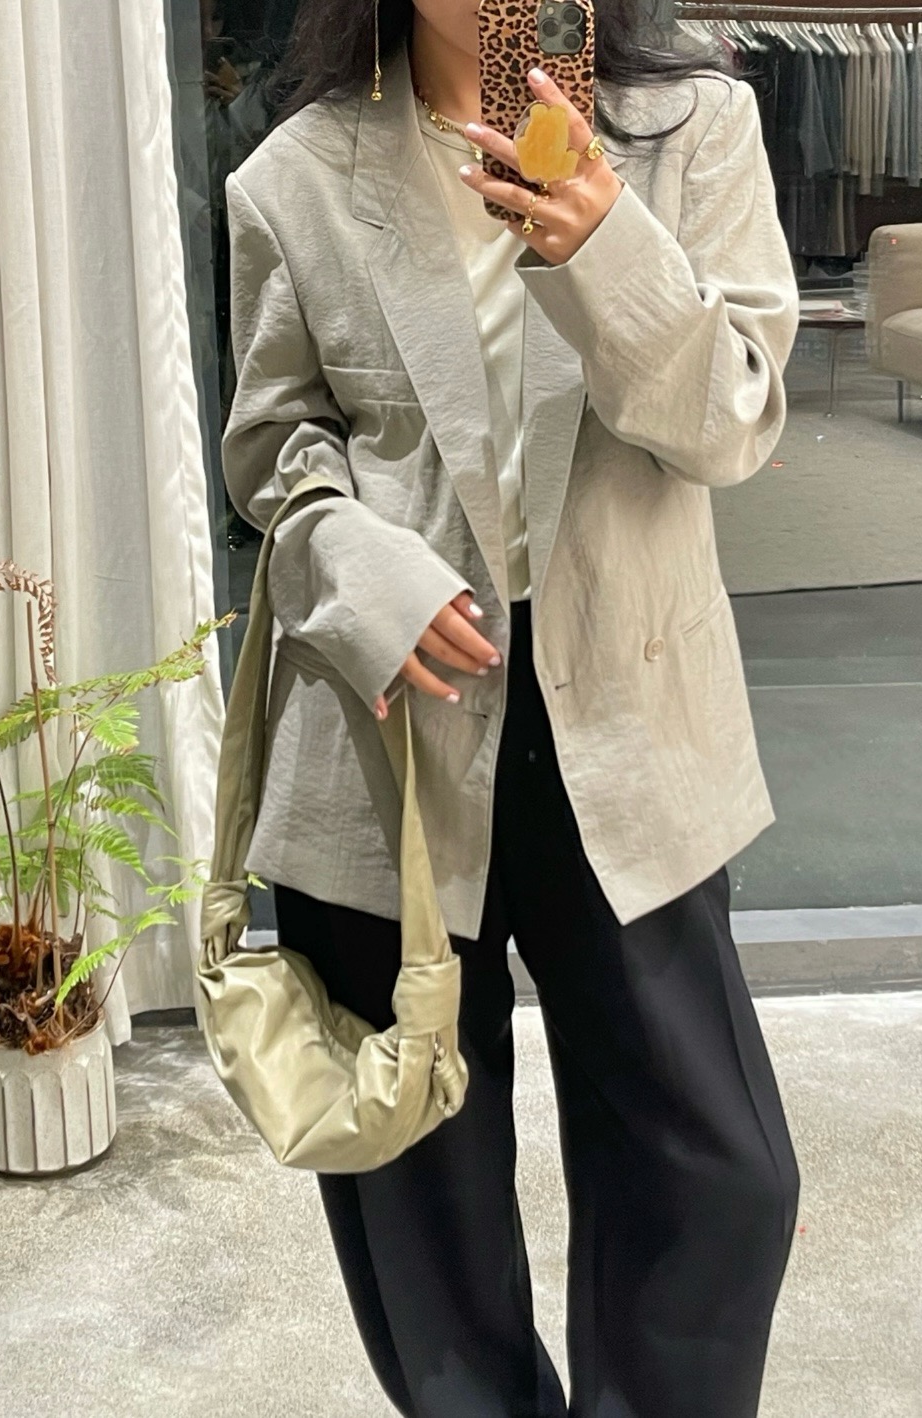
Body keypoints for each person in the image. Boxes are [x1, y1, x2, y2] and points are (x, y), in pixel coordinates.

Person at [221, 0, 801, 1413]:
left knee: (716, 1170)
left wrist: (607, 248)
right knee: (418, 1191)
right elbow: (278, 449)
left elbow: (733, 422)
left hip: (625, 709)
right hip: (394, 727)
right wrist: (356, 568)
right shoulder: (299, 174)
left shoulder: (688, 129)